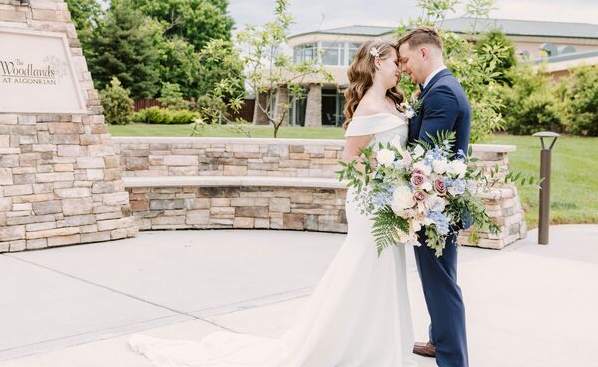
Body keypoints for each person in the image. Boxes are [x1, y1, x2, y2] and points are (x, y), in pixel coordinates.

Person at [127, 39, 417, 366]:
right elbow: (351, 158)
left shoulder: (393, 103)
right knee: (364, 267)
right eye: (395, 62)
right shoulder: (368, 106)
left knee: (384, 269)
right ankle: (341, 344)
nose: (400, 69)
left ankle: (377, 342)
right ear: (378, 63)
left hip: (389, 200)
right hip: (372, 202)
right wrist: (385, 182)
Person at [397, 26, 472, 367]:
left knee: (441, 284)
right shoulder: (437, 89)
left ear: (423, 53)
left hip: (434, 206)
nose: (403, 67)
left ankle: (453, 359)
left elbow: (425, 156)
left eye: (406, 59)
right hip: (437, 204)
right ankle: (438, 340)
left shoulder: (441, 93)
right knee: (440, 279)